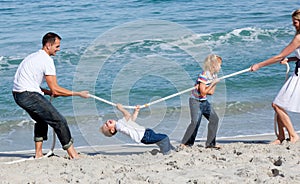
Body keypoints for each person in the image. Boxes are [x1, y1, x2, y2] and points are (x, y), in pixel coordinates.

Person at [12, 32, 90, 159]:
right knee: (59, 121)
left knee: (41, 120)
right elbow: (55, 89)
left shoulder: (33, 56)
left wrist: (48, 92)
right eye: (57, 46)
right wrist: (78, 94)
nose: (59, 49)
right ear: (48, 45)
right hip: (28, 95)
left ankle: (38, 154)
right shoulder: (46, 60)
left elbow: (32, 84)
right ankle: (73, 154)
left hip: (18, 95)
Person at [251, 10, 300, 144]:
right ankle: (281, 137)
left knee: (277, 105)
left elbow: (279, 56)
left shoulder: (298, 38)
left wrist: (259, 65)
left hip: (299, 76)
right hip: (297, 72)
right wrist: (290, 59)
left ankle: (293, 136)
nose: (293, 25)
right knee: (279, 104)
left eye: (295, 22)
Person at [178, 54, 222, 150]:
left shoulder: (214, 75)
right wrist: (212, 84)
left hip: (204, 101)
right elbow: (202, 93)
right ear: (213, 65)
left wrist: (213, 84)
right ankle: (185, 144)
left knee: (214, 119)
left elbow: (210, 92)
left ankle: (210, 144)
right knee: (195, 122)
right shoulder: (204, 75)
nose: (220, 67)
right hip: (195, 101)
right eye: (219, 64)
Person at [100, 104, 174, 155]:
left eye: (105, 122)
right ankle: (167, 153)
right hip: (145, 136)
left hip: (146, 133)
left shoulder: (120, 124)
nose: (106, 122)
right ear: (112, 130)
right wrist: (120, 108)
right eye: (107, 125)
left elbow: (131, 120)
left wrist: (136, 111)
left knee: (159, 139)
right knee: (164, 138)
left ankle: (171, 149)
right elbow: (128, 115)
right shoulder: (119, 125)